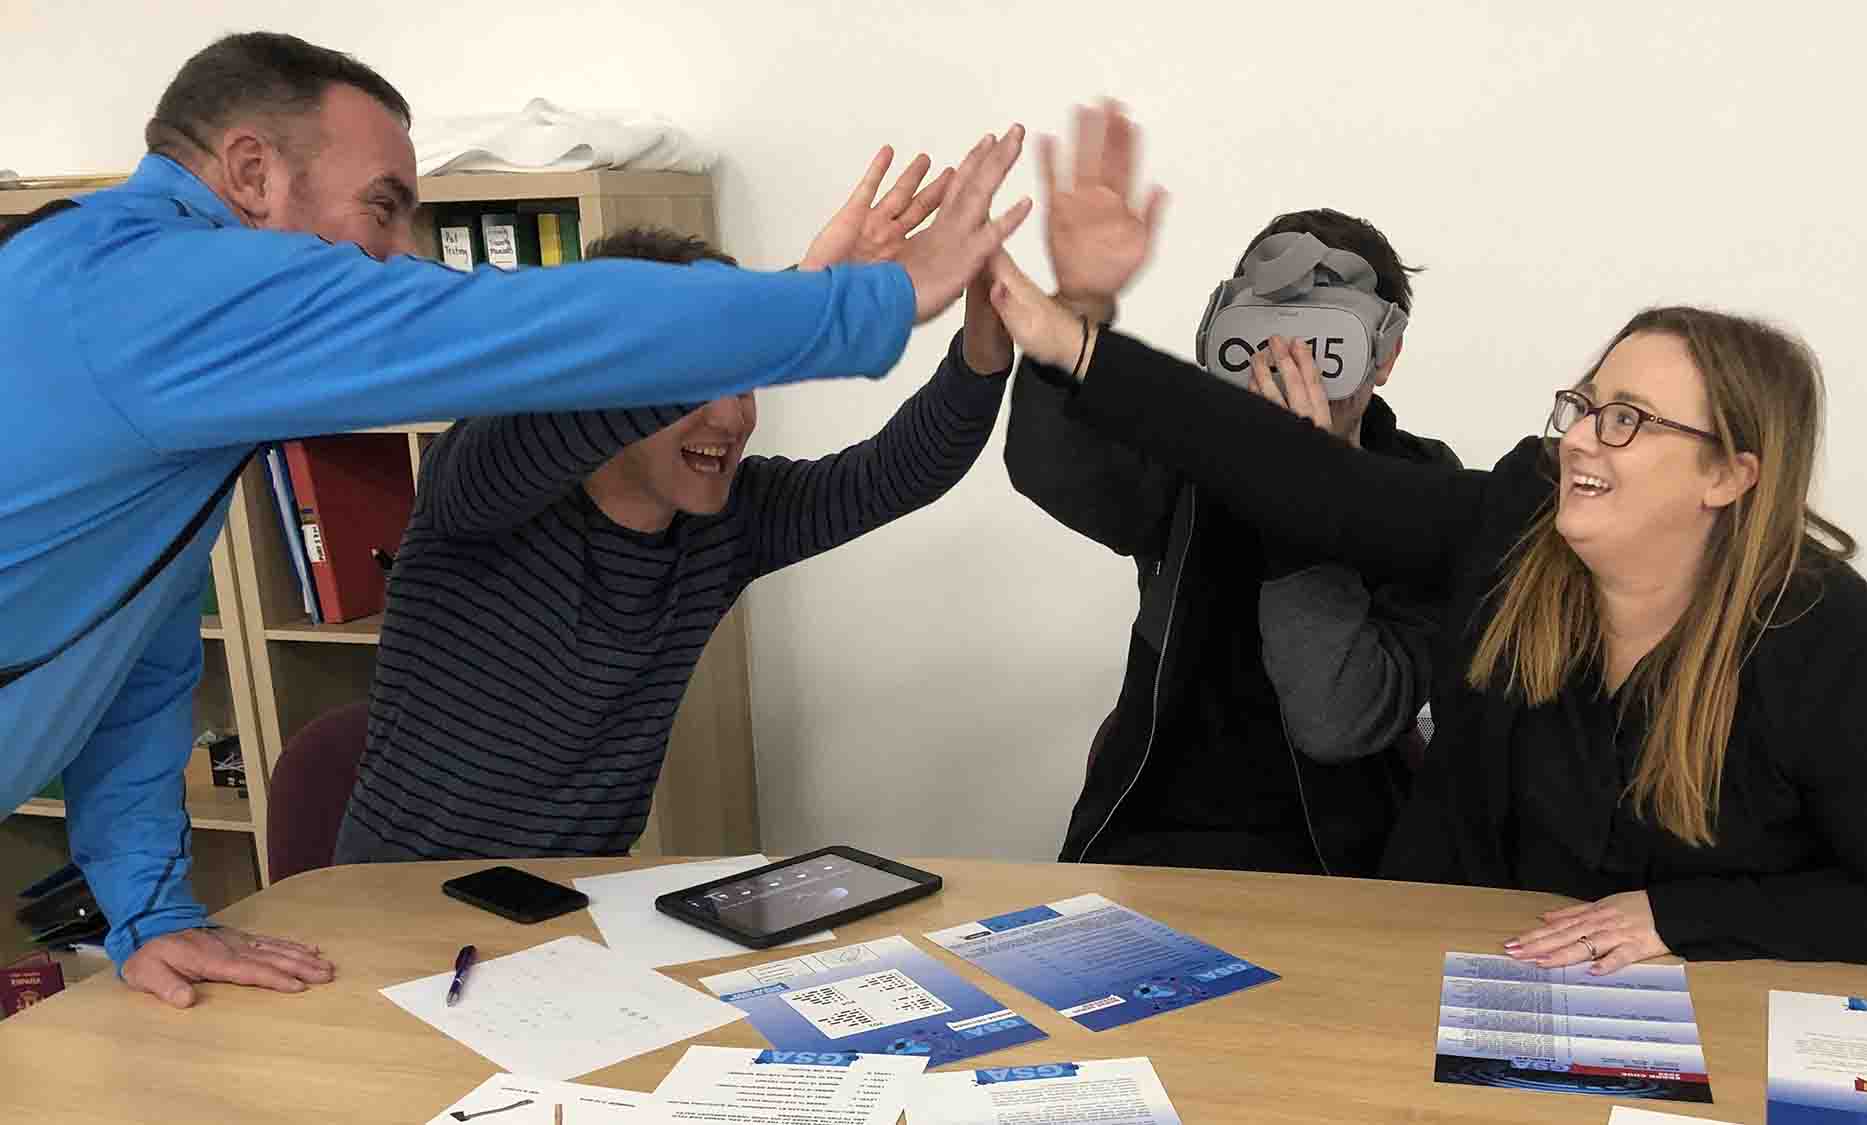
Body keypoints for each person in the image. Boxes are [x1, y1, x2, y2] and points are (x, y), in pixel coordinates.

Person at [0, 30, 1029, 1008]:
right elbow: (504, 332)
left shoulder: (171, 402)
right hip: (402, 902)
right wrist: (829, 299)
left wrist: (148, 911)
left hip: (565, 916)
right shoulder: (145, 292)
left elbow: (141, 673)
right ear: (252, 172)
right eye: (382, 207)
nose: (400, 256)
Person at [980, 103, 1867, 967]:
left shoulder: (1807, 627)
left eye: (1628, 419)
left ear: (1727, 473)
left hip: (1617, 979)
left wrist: (1685, 916)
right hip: (1413, 947)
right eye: (1584, 405)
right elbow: (1302, 487)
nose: (1582, 438)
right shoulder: (1511, 523)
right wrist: (1074, 332)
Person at [332, 223, 1015, 862]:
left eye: (746, 382)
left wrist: (983, 353)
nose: (731, 415)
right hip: (402, 898)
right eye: (700, 384)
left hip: (570, 913)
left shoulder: (728, 523)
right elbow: (605, 386)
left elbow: (895, 473)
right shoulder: (480, 487)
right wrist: (795, 305)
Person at [1007, 130, 1458, 876]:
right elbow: (1053, 468)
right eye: (1264, 336)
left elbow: (1337, 716)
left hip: (1347, 864)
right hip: (1153, 837)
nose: (1288, 364)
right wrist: (1080, 305)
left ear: (1383, 356)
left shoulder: (1430, 491)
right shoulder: (1192, 455)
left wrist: (1301, 484)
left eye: (1325, 342)